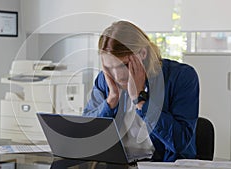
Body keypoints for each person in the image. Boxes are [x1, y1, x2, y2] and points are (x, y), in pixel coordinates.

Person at [83, 21, 199, 162]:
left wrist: (140, 101)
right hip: (118, 163)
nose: (117, 76)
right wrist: (111, 100)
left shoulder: (181, 77)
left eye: (123, 65)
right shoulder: (105, 80)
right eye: (109, 67)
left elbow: (180, 143)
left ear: (143, 53)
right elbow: (87, 133)